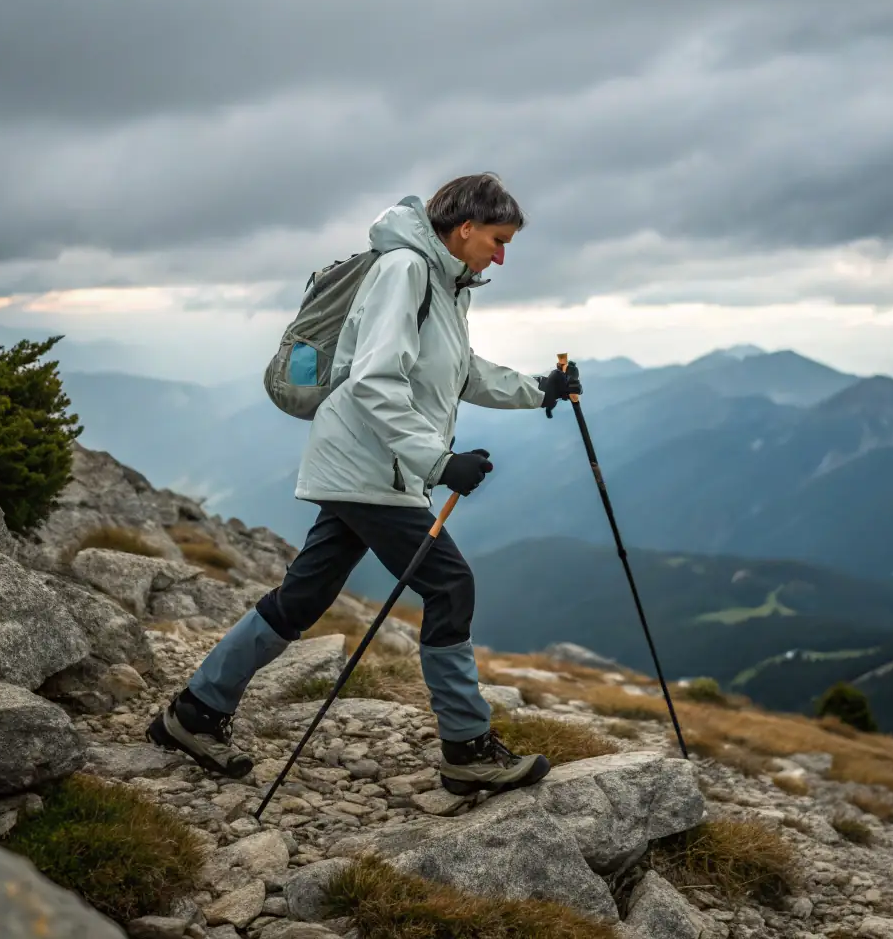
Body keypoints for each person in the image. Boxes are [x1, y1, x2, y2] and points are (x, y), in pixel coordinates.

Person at [146, 173, 581, 796]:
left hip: (370, 468)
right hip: (369, 470)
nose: (502, 254)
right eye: (498, 239)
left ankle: (194, 713)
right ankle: (467, 748)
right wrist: (438, 462)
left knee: (303, 596)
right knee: (449, 585)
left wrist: (537, 389)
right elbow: (375, 380)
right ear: (464, 230)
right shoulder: (405, 270)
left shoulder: (450, 283)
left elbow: (456, 370)